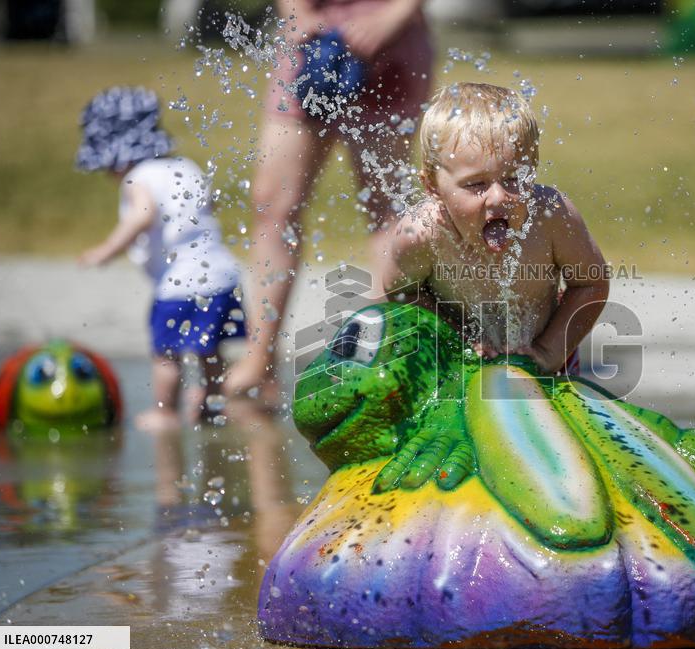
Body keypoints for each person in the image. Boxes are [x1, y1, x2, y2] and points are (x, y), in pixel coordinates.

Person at [224, 0, 433, 402]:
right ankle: (259, 359)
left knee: (387, 209)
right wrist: (296, 11)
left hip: (390, 38)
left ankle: (392, 357)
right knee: (272, 206)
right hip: (310, 40)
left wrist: (395, 16)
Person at [379, 82, 610, 375]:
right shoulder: (422, 233)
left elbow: (591, 283)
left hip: (551, 363)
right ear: (432, 186)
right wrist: (453, 340)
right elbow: (399, 289)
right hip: (456, 366)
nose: (499, 197)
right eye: (476, 184)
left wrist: (548, 352)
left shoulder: (551, 216)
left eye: (514, 179)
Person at [77, 87, 245, 431]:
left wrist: (107, 250)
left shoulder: (138, 178)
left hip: (179, 284)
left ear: (118, 156)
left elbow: (142, 215)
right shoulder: (185, 166)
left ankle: (164, 411)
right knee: (209, 348)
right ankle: (213, 403)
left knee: (165, 353)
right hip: (222, 276)